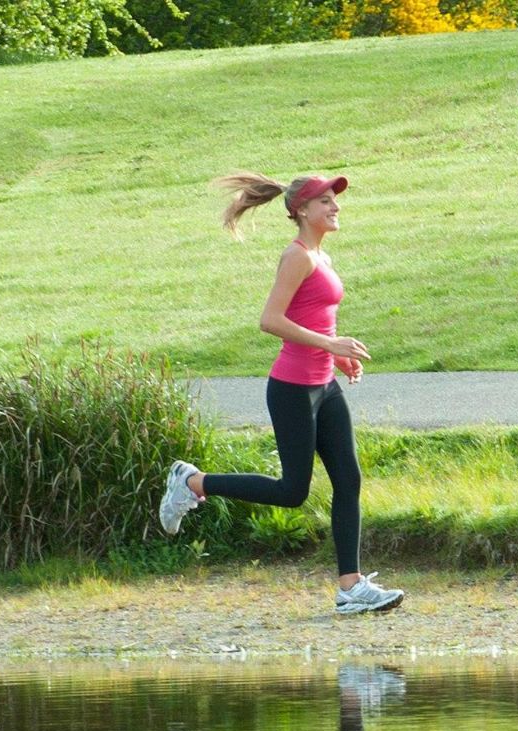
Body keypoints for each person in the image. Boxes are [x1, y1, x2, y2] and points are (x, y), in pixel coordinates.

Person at [158, 171, 404, 616]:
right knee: (293, 491)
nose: (336, 207)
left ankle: (351, 587)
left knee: (348, 479)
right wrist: (331, 345)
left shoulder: (320, 257)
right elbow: (270, 320)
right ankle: (192, 482)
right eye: (326, 201)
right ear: (302, 211)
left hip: (322, 385)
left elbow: (313, 319)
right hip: (292, 388)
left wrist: (335, 356)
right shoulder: (297, 257)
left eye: (335, 200)